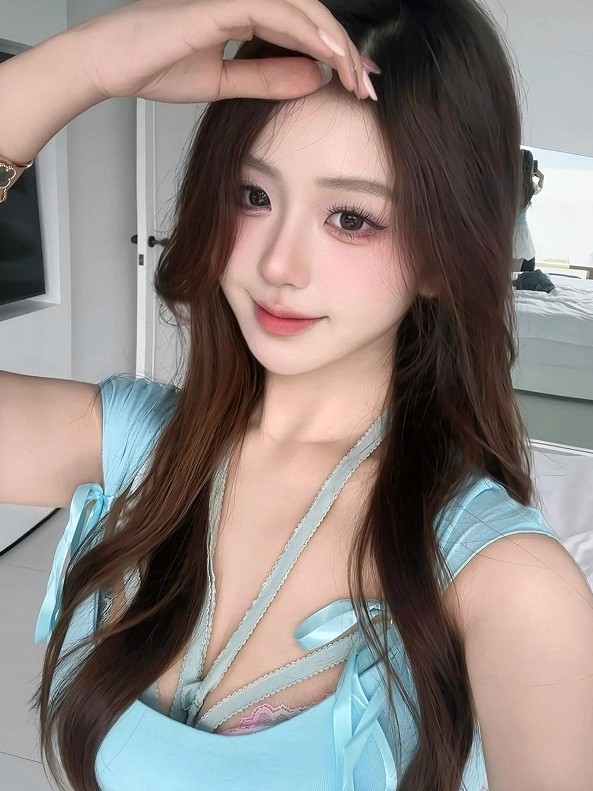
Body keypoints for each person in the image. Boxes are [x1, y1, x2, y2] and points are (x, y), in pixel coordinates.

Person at [0, 1, 591, 790]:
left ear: (441, 255)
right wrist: (84, 66)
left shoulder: (509, 586)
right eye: (252, 195)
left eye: (351, 217)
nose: (278, 264)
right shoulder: (133, 447)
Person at [513, 148, 544, 272]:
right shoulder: (529, 187)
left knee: (510, 270)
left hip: (506, 229)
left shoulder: (508, 184)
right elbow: (539, 189)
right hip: (521, 231)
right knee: (518, 270)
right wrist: (541, 177)